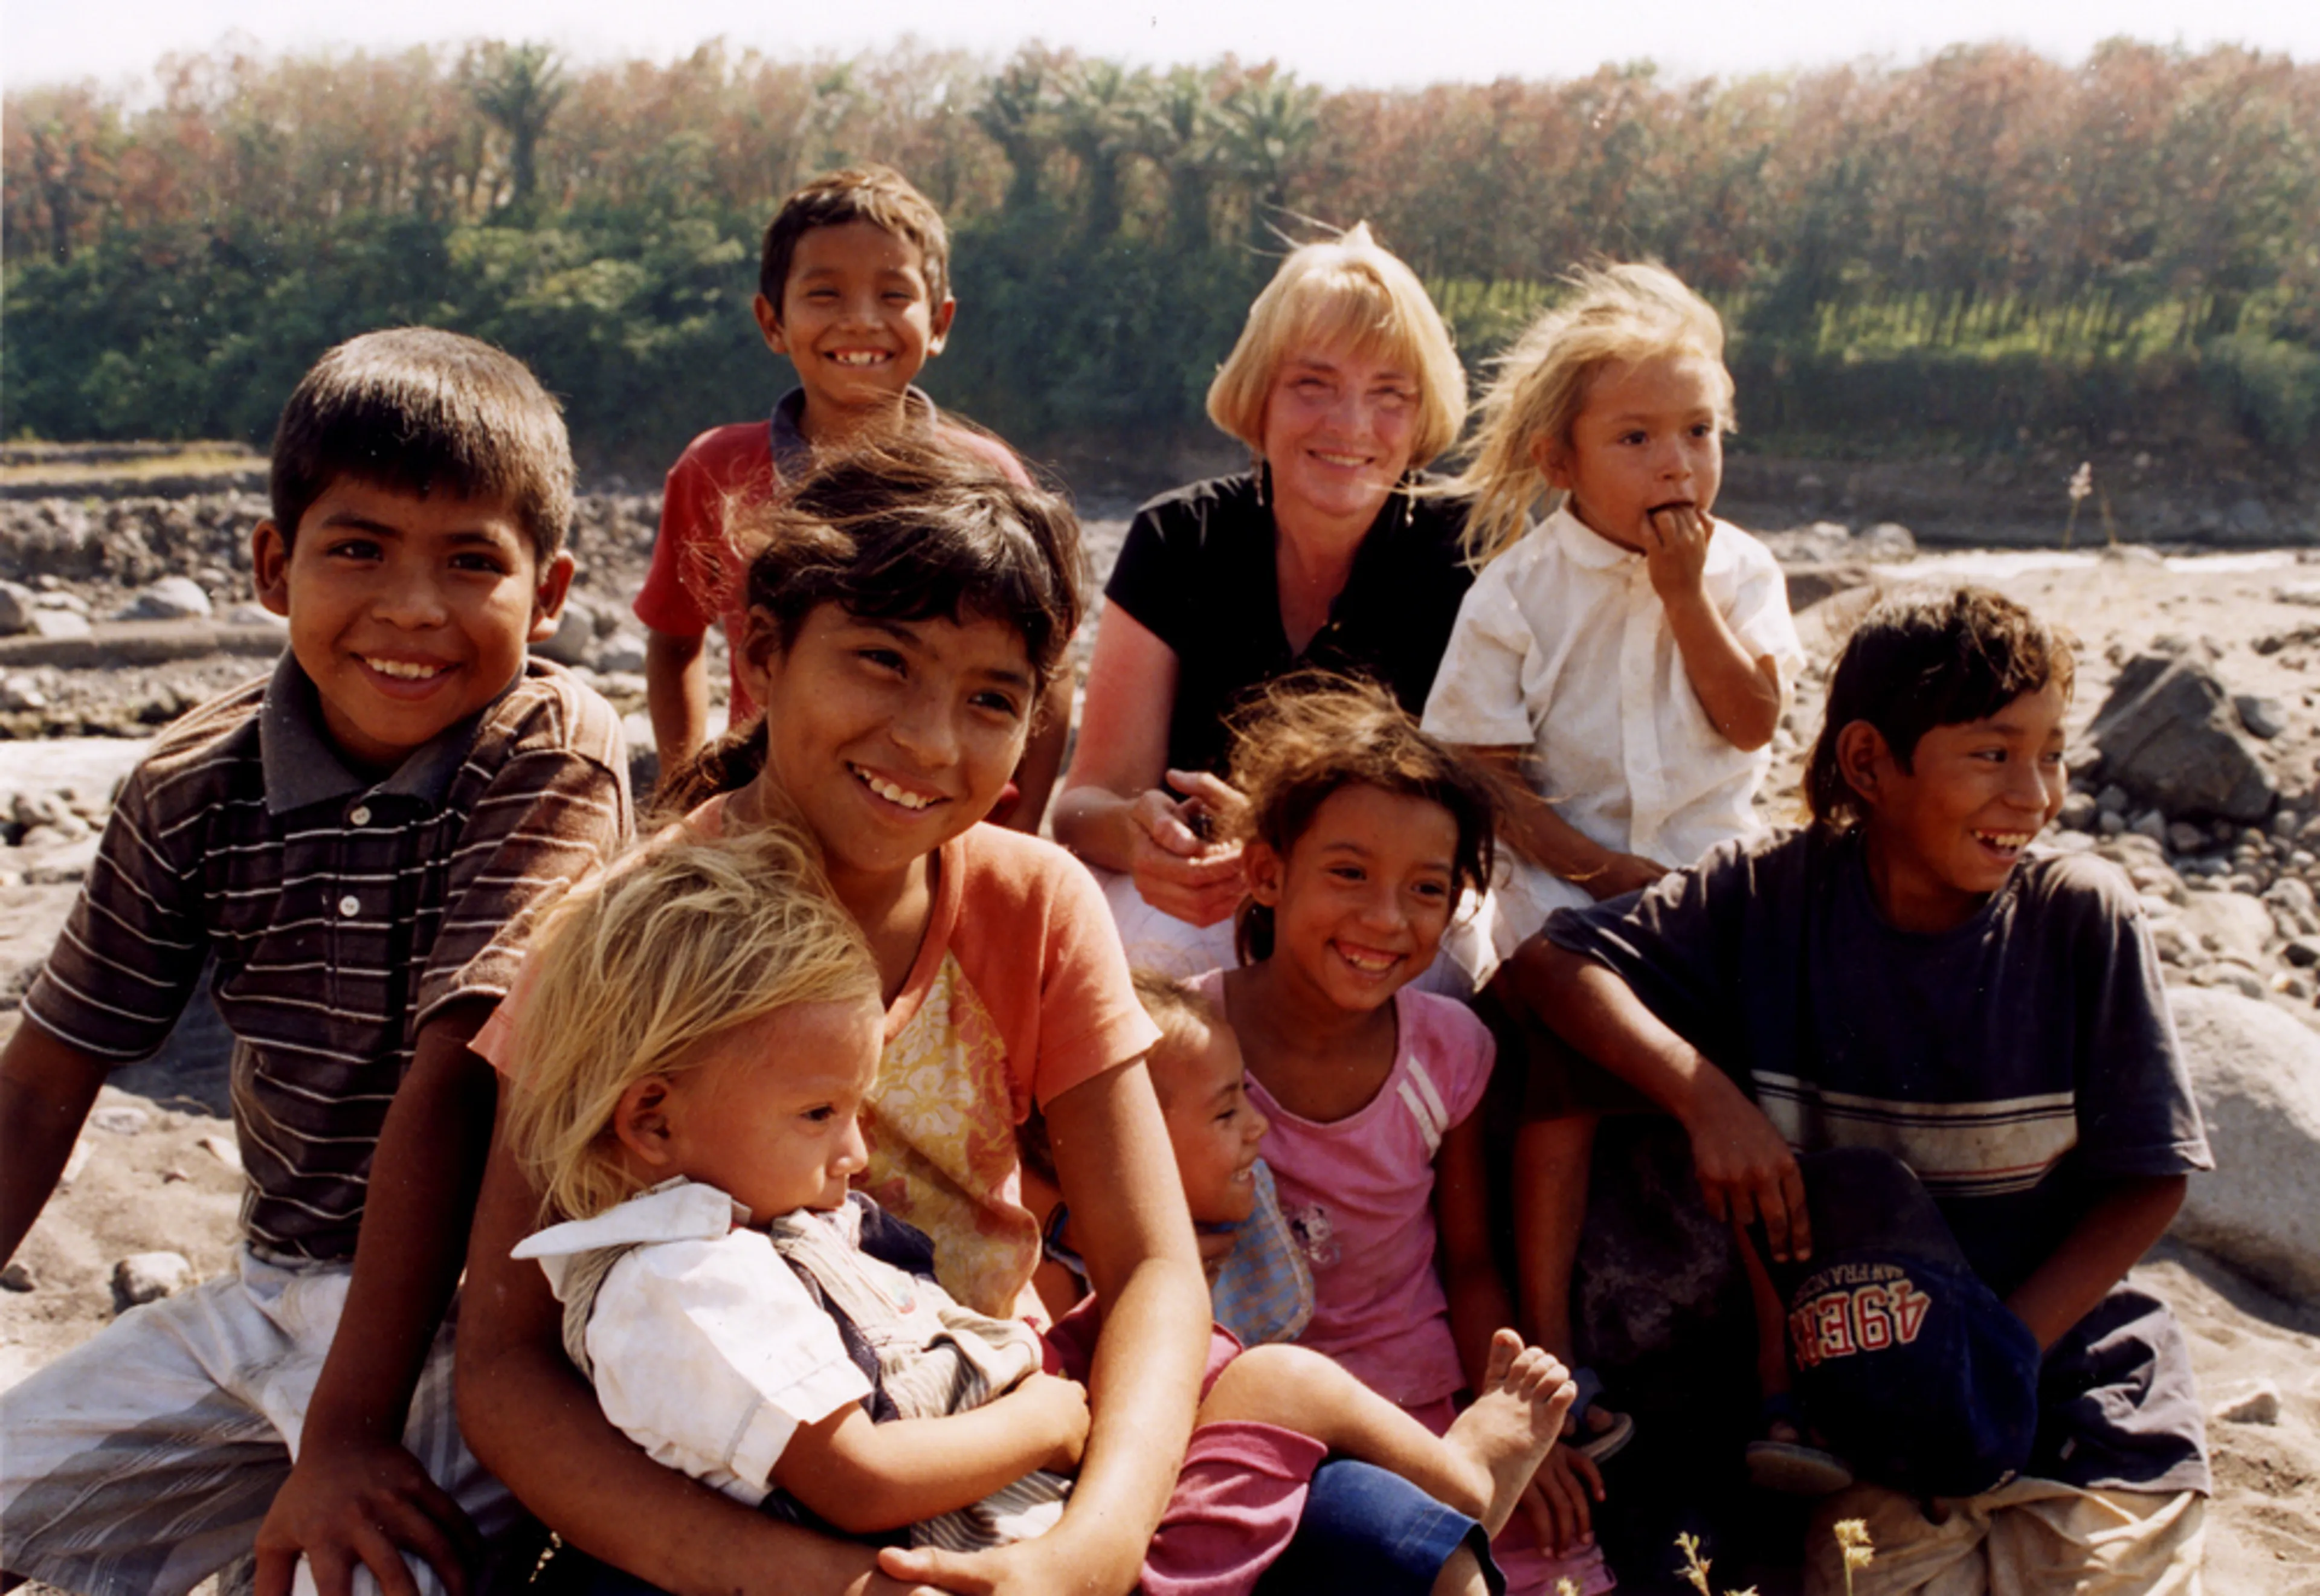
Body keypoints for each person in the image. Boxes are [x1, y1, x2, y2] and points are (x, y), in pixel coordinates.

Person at [457, 442, 1512, 1596]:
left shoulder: (1032, 899)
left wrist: (1090, 1551)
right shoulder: (631, 940)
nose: (929, 741)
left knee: (1405, 1548)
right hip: (755, 1488)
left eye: (991, 699)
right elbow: (506, 1363)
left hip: (1014, 1423)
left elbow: (1155, 1265)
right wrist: (817, 1579)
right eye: (881, 661)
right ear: (762, 652)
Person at [497, 822, 1574, 1594]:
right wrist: (1051, 1418)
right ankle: (1467, 1468)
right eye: (823, 1113)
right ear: (651, 1119)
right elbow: (858, 1476)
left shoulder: (727, 1228)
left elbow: (1149, 1271)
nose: (858, 1150)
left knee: (1257, 1384)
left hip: (1040, 1514)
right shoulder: (684, 1280)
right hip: (1006, 1538)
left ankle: (1459, 1474)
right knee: (1280, 1383)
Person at [0, 328, 633, 1596]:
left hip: (481, 1322)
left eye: (471, 563)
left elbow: (460, 1079)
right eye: (359, 551)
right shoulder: (193, 780)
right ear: (272, 566)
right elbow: (36, 1088)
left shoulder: (550, 745)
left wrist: (344, 1433)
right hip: (274, 1293)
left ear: (550, 592)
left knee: (344, 1577)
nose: (413, 608)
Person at [1515, 588, 2212, 1593]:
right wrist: (1707, 1096)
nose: (2036, 795)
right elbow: (1554, 964)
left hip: (2081, 1382)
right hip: (1881, 1399)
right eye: (1992, 753)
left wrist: (2002, 1350)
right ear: (1869, 764)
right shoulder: (1768, 897)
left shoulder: (2077, 918)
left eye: (2050, 752)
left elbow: (2150, 1180)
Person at [1419, 262, 1803, 1505]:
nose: (1675, 462)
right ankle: (1556, 1353)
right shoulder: (1516, 593)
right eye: (1635, 437)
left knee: (1772, 1070)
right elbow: (1474, 773)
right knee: (1556, 1067)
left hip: (1709, 885)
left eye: (1698, 432)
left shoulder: (1739, 572)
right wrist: (1590, 864)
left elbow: (1749, 721)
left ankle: (1782, 1359)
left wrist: (1688, 599)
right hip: (1563, 898)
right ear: (1560, 458)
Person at [1189, 680, 1617, 1596]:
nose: (1387, 919)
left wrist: (1512, 1429)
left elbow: (1466, 1263)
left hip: (1414, 1405)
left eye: (1426, 889)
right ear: (1266, 872)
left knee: (1541, 1563)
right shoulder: (1189, 1045)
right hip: (1246, 1414)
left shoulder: (1447, 1050)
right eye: (1348, 873)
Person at [1051, 224, 1477, 982]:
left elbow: (1492, 819)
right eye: (1314, 384)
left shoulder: (1473, 553)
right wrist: (1141, 836)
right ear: (1261, 399)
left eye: (1390, 395)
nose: (1350, 425)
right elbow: (1084, 804)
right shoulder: (1178, 536)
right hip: (1206, 903)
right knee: (1139, 946)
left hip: (1391, 907)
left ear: (1421, 420)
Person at [632, 164, 1066, 831]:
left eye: (895, 295)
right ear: (772, 322)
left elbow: (1048, 669)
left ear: (940, 321)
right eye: (825, 294)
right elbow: (674, 639)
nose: (861, 321)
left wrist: (1018, 825)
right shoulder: (716, 468)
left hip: (931, 808)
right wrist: (686, 792)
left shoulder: (985, 475)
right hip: (772, 815)